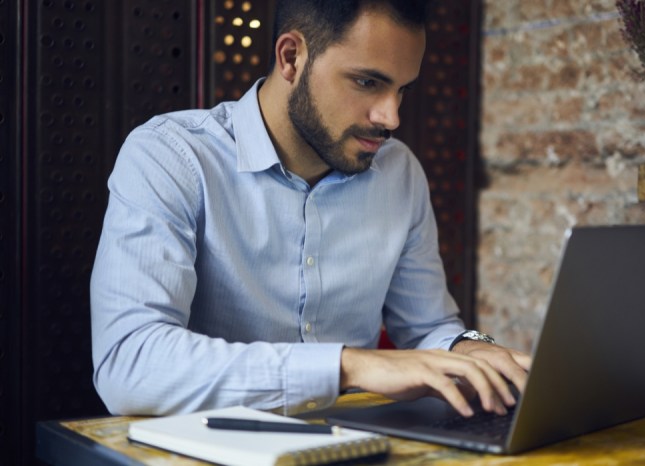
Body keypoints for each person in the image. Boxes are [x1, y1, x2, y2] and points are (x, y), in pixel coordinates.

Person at [90, 0, 531, 419]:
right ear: (291, 57)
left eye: (402, 90)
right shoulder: (172, 157)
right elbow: (128, 363)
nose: (391, 116)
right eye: (367, 82)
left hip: (359, 446)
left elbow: (428, 326)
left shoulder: (400, 173)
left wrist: (468, 347)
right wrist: (347, 367)